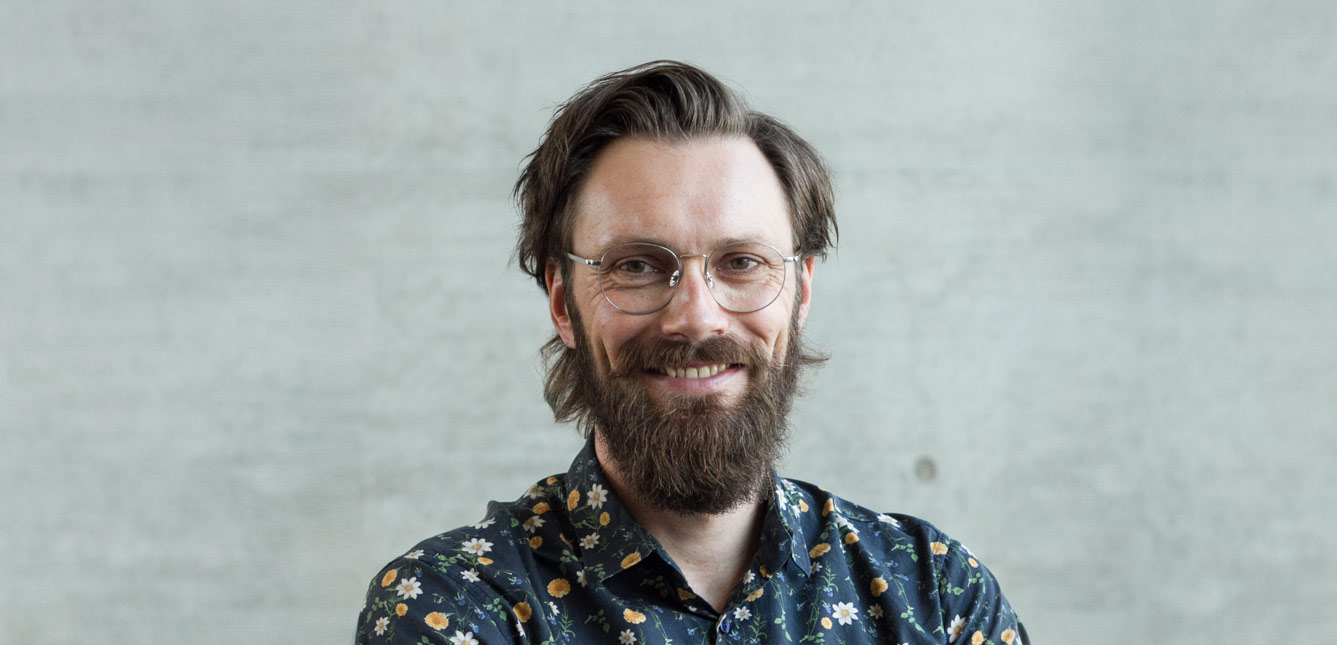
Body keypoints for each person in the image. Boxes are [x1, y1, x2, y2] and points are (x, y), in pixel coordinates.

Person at [356, 60, 1027, 645]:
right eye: (638, 265)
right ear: (563, 302)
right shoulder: (455, 607)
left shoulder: (935, 594)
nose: (696, 317)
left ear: (800, 291)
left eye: (741, 262)